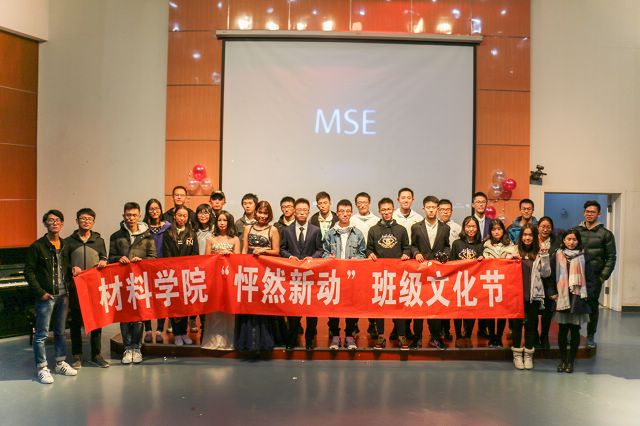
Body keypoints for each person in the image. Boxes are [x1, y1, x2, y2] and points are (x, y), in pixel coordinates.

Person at [26, 210, 78, 384]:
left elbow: (67, 267)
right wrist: (40, 292)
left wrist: (73, 270)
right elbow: (29, 272)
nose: (54, 223)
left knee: (60, 332)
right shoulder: (37, 246)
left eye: (57, 220)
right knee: (41, 334)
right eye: (50, 220)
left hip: (63, 295)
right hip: (46, 296)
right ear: (45, 224)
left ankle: (60, 363)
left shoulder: (65, 245)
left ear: (62, 223)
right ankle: (42, 368)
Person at [109, 202, 157, 364]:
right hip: (122, 281)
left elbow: (153, 258)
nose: (131, 218)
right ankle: (127, 348)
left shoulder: (147, 236)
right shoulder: (116, 236)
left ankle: (136, 348)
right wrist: (118, 258)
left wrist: (141, 261)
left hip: (140, 281)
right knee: (124, 316)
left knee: (138, 316)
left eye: (134, 215)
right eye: (128, 215)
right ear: (123, 216)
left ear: (139, 216)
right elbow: (110, 258)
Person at [66, 208, 109, 368]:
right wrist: (71, 268)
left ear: (93, 222)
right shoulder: (68, 242)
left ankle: (96, 355)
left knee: (97, 321)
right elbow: (64, 263)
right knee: (75, 321)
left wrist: (104, 261)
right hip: (76, 287)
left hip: (94, 287)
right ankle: (77, 355)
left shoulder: (99, 240)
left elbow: (104, 256)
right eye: (83, 219)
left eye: (89, 219)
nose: (86, 221)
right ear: (77, 221)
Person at [548, 229, 596, 373]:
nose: (571, 242)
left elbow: (590, 278)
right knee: (562, 330)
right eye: (568, 239)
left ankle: (571, 361)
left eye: (574, 239)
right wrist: (552, 292)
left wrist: (587, 294)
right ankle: (563, 360)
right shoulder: (557, 255)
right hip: (562, 296)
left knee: (575, 330)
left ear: (578, 241)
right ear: (563, 240)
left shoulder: (583, 256)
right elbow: (550, 276)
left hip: (577, 297)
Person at [366, 198, 412, 350]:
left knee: (398, 306)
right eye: (383, 210)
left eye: (389, 209)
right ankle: (381, 335)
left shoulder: (401, 229)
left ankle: (401, 335)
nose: (386, 212)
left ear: (393, 210)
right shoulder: (373, 230)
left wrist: (406, 254)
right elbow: (368, 248)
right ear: (379, 211)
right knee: (380, 306)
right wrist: (370, 254)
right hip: (379, 275)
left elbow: (407, 247)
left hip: (397, 275)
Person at [236, 200, 281, 352]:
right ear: (256, 212)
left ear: (269, 214)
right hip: (249, 271)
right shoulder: (247, 228)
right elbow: (244, 250)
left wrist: (263, 251)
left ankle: (264, 341)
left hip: (265, 270)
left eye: (265, 213)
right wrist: (242, 267)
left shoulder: (273, 229)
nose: (262, 215)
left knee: (263, 304)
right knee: (249, 303)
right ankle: (247, 341)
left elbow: (277, 252)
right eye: (260, 212)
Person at [280, 198, 324, 350]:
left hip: (311, 276)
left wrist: (312, 258)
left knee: (311, 311)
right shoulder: (286, 230)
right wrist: (289, 257)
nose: (302, 213)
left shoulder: (315, 230)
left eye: (305, 210)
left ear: (309, 212)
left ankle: (309, 340)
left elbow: (320, 250)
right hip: (293, 277)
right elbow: (282, 249)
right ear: (294, 211)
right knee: (293, 310)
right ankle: (291, 340)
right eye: (299, 210)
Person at [322, 199, 366, 350]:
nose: (345, 214)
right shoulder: (330, 233)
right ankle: (335, 335)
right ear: (337, 213)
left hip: (351, 277)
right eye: (341, 211)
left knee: (351, 306)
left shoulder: (358, 233)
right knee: (333, 306)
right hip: (334, 276)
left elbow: (362, 253)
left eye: (348, 211)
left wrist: (356, 259)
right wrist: (328, 258)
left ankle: (349, 335)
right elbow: (324, 252)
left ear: (351, 213)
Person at [410, 195, 451, 350]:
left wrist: (445, 254)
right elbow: (412, 245)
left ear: (438, 209)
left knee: (435, 306)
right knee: (419, 306)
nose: (431, 210)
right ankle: (417, 338)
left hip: (437, 273)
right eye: (429, 207)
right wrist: (416, 253)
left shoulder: (445, 228)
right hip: (420, 272)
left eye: (434, 207)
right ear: (424, 209)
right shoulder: (416, 227)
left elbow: (447, 246)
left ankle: (435, 337)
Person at [576, 200, 617, 348]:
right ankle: (575, 333)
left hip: (594, 278)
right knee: (575, 306)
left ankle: (590, 335)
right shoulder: (576, 231)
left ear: (598, 214)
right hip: (576, 276)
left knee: (592, 308)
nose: (589, 214)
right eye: (587, 211)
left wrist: (602, 277)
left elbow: (611, 257)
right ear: (583, 213)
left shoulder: (606, 234)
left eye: (592, 212)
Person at [510, 223, 550, 370]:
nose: (527, 238)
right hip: (516, 297)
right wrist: (511, 260)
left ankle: (528, 355)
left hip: (533, 297)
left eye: (530, 235)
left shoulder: (540, 252)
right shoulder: (513, 251)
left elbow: (546, 273)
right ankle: (516, 355)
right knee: (516, 327)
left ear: (535, 237)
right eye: (525, 235)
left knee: (531, 327)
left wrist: (545, 256)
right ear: (521, 236)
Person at [202, 210, 240, 350]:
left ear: (229, 222)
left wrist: (230, 254)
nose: (222, 223)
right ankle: (212, 342)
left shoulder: (235, 239)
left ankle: (228, 342)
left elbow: (239, 260)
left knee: (228, 309)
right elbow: (206, 259)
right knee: (214, 308)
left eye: (225, 220)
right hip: (214, 278)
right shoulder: (210, 239)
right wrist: (216, 255)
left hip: (230, 279)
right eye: (219, 220)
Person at [163, 206, 199, 346]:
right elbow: (166, 253)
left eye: (184, 216)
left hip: (186, 274)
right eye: (179, 215)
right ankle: (177, 333)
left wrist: (186, 268)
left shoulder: (192, 233)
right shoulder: (168, 233)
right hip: (172, 273)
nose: (182, 218)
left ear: (188, 218)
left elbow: (195, 253)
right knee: (174, 305)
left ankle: (184, 332)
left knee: (185, 305)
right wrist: (174, 268)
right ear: (175, 216)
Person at [482, 219, 518, 348]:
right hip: (490, 283)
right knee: (491, 312)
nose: (496, 232)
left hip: (505, 284)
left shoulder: (511, 245)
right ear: (490, 231)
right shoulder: (486, 245)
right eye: (493, 229)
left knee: (503, 312)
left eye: (499, 229)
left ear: (503, 230)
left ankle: (499, 337)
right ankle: (492, 337)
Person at [350, 191, 381, 338]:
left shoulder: (377, 220)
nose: (362, 205)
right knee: (355, 295)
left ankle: (372, 324)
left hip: (373, 263)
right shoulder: (351, 220)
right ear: (356, 204)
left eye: (365, 202)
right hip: (356, 263)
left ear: (369, 203)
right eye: (359, 202)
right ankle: (354, 324)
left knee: (372, 295)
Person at [450, 216, 484, 349]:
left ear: (477, 228)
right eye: (468, 226)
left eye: (473, 226)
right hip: (459, 282)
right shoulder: (456, 244)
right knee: (458, 310)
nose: (471, 229)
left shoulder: (480, 245)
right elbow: (451, 262)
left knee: (471, 310)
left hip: (474, 283)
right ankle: (459, 336)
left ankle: (468, 335)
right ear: (464, 228)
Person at [142, 198, 171, 343]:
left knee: (162, 299)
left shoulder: (168, 227)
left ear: (161, 210)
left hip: (163, 268)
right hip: (146, 267)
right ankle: (148, 329)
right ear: (147, 211)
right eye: (151, 209)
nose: (154, 211)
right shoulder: (142, 228)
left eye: (157, 208)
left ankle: (159, 330)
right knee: (146, 299)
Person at [437, 198, 461, 341]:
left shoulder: (458, 228)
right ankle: (439, 330)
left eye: (448, 210)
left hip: (453, 269)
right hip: (438, 269)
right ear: (438, 211)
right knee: (439, 300)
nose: (445, 212)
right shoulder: (434, 226)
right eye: (442, 210)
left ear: (451, 211)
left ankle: (447, 330)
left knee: (450, 301)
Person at [536, 216, 561, 349]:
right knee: (533, 311)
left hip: (550, 282)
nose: (545, 230)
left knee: (547, 312)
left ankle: (544, 336)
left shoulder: (557, 242)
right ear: (538, 227)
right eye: (543, 227)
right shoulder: (532, 240)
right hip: (535, 281)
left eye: (548, 227)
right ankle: (534, 336)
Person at [192, 203, 216, 334]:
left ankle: (207, 325)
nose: (203, 215)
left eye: (206, 213)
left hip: (211, 269)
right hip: (196, 268)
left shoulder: (215, 230)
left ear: (210, 215)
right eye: (200, 213)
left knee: (208, 298)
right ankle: (195, 321)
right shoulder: (193, 230)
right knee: (198, 296)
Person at [471, 192, 491, 339]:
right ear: (473, 205)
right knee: (471, 296)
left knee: (484, 297)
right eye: (478, 202)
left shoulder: (492, 223)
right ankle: (468, 330)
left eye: (483, 202)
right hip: (472, 265)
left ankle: (483, 329)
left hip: (486, 265)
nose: (480, 204)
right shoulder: (468, 222)